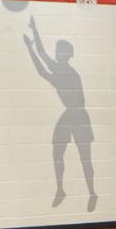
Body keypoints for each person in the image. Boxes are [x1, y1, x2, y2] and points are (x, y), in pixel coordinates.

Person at [23, 16, 98, 212]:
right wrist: (31, 43)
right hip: (68, 115)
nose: (56, 54)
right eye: (57, 51)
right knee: (57, 152)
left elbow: (43, 58)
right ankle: (60, 189)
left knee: (85, 158)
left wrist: (34, 35)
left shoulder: (67, 72)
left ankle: (91, 192)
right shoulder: (59, 71)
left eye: (59, 51)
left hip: (79, 116)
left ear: (66, 54)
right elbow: (41, 67)